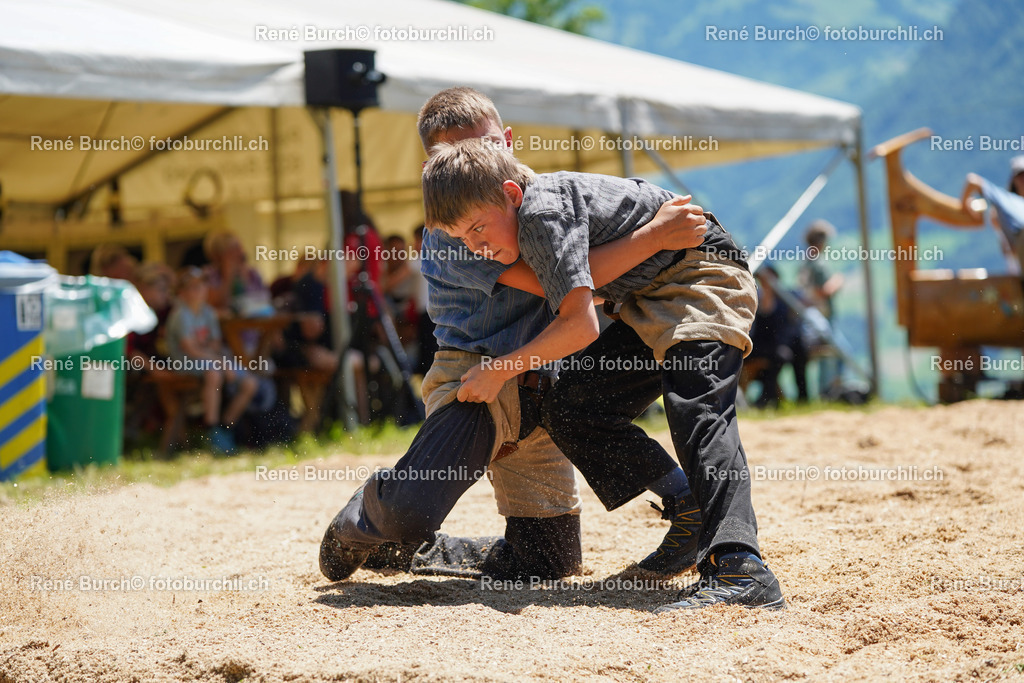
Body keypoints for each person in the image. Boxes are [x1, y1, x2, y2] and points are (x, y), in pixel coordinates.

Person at [319, 88, 704, 584]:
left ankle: (424, 551)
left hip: (546, 381)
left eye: (486, 147)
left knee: (548, 563)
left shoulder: (541, 201)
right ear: (434, 169)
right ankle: (364, 518)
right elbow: (568, 280)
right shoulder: (457, 228)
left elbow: (582, 279)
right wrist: (655, 236)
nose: (477, 164)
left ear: (508, 141)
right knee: (411, 507)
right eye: (454, 157)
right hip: (480, 380)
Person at [421, 138, 785, 611]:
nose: (477, 245)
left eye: (478, 229)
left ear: (511, 193)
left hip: (701, 273)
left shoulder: (541, 214)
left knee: (697, 408)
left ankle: (742, 570)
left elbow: (578, 324)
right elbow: (585, 286)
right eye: (463, 238)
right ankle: (689, 506)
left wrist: (499, 370)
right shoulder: (521, 217)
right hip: (645, 296)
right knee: (571, 407)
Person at [166, 268, 259, 454]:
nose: (199, 290)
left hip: (210, 359)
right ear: (181, 293)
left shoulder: (208, 312)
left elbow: (214, 344)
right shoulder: (180, 315)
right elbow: (191, 350)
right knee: (214, 374)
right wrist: (221, 362)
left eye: (201, 286)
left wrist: (218, 358)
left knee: (250, 383)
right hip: (185, 364)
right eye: (192, 287)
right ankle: (211, 430)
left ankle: (226, 428)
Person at [749, 264, 809, 407]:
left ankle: (803, 397)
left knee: (800, 350)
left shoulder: (785, 299)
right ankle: (767, 396)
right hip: (759, 345)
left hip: (779, 343)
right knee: (780, 355)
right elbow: (762, 319)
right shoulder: (755, 297)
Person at [961, 155, 1024, 277]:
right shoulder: (1007, 200)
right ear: (1014, 180)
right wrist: (964, 206)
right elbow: (972, 180)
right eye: (1020, 175)